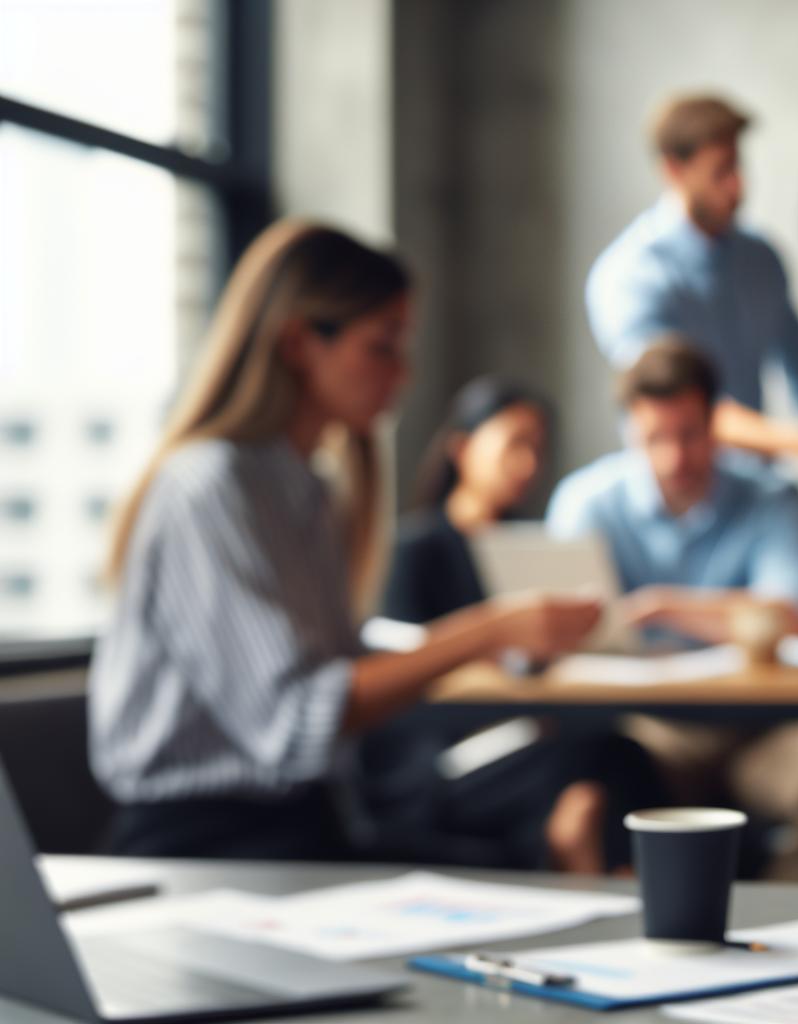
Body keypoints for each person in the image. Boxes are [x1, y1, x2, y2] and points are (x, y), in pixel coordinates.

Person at [90, 220, 620, 873]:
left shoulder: (305, 491)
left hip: (303, 822)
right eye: (382, 346)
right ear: (298, 343)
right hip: (207, 846)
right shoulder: (209, 488)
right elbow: (297, 720)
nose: (403, 373)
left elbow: (327, 674)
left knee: (584, 792)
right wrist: (491, 630)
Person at [546, 339, 798, 881]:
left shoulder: (771, 498)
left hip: (761, 726)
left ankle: (770, 918)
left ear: (716, 424)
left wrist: (665, 608)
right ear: (628, 430)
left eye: (690, 434)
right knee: (598, 778)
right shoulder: (587, 502)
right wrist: (732, 617)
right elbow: (558, 632)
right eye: (655, 438)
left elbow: (794, 617)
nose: (675, 458)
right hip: (649, 730)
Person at [363, 375, 665, 872]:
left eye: (538, 449)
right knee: (584, 766)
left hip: (527, 732)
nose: (528, 464)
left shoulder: (531, 550)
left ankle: (606, 869)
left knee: (625, 754)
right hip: (446, 752)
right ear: (463, 448)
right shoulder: (417, 551)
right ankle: (583, 860)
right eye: (514, 444)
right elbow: (402, 664)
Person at [586, 92, 798, 498]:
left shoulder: (760, 259)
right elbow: (671, 405)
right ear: (673, 169)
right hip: (674, 493)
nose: (737, 186)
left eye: (738, 166)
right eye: (720, 172)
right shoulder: (630, 277)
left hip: (754, 496)